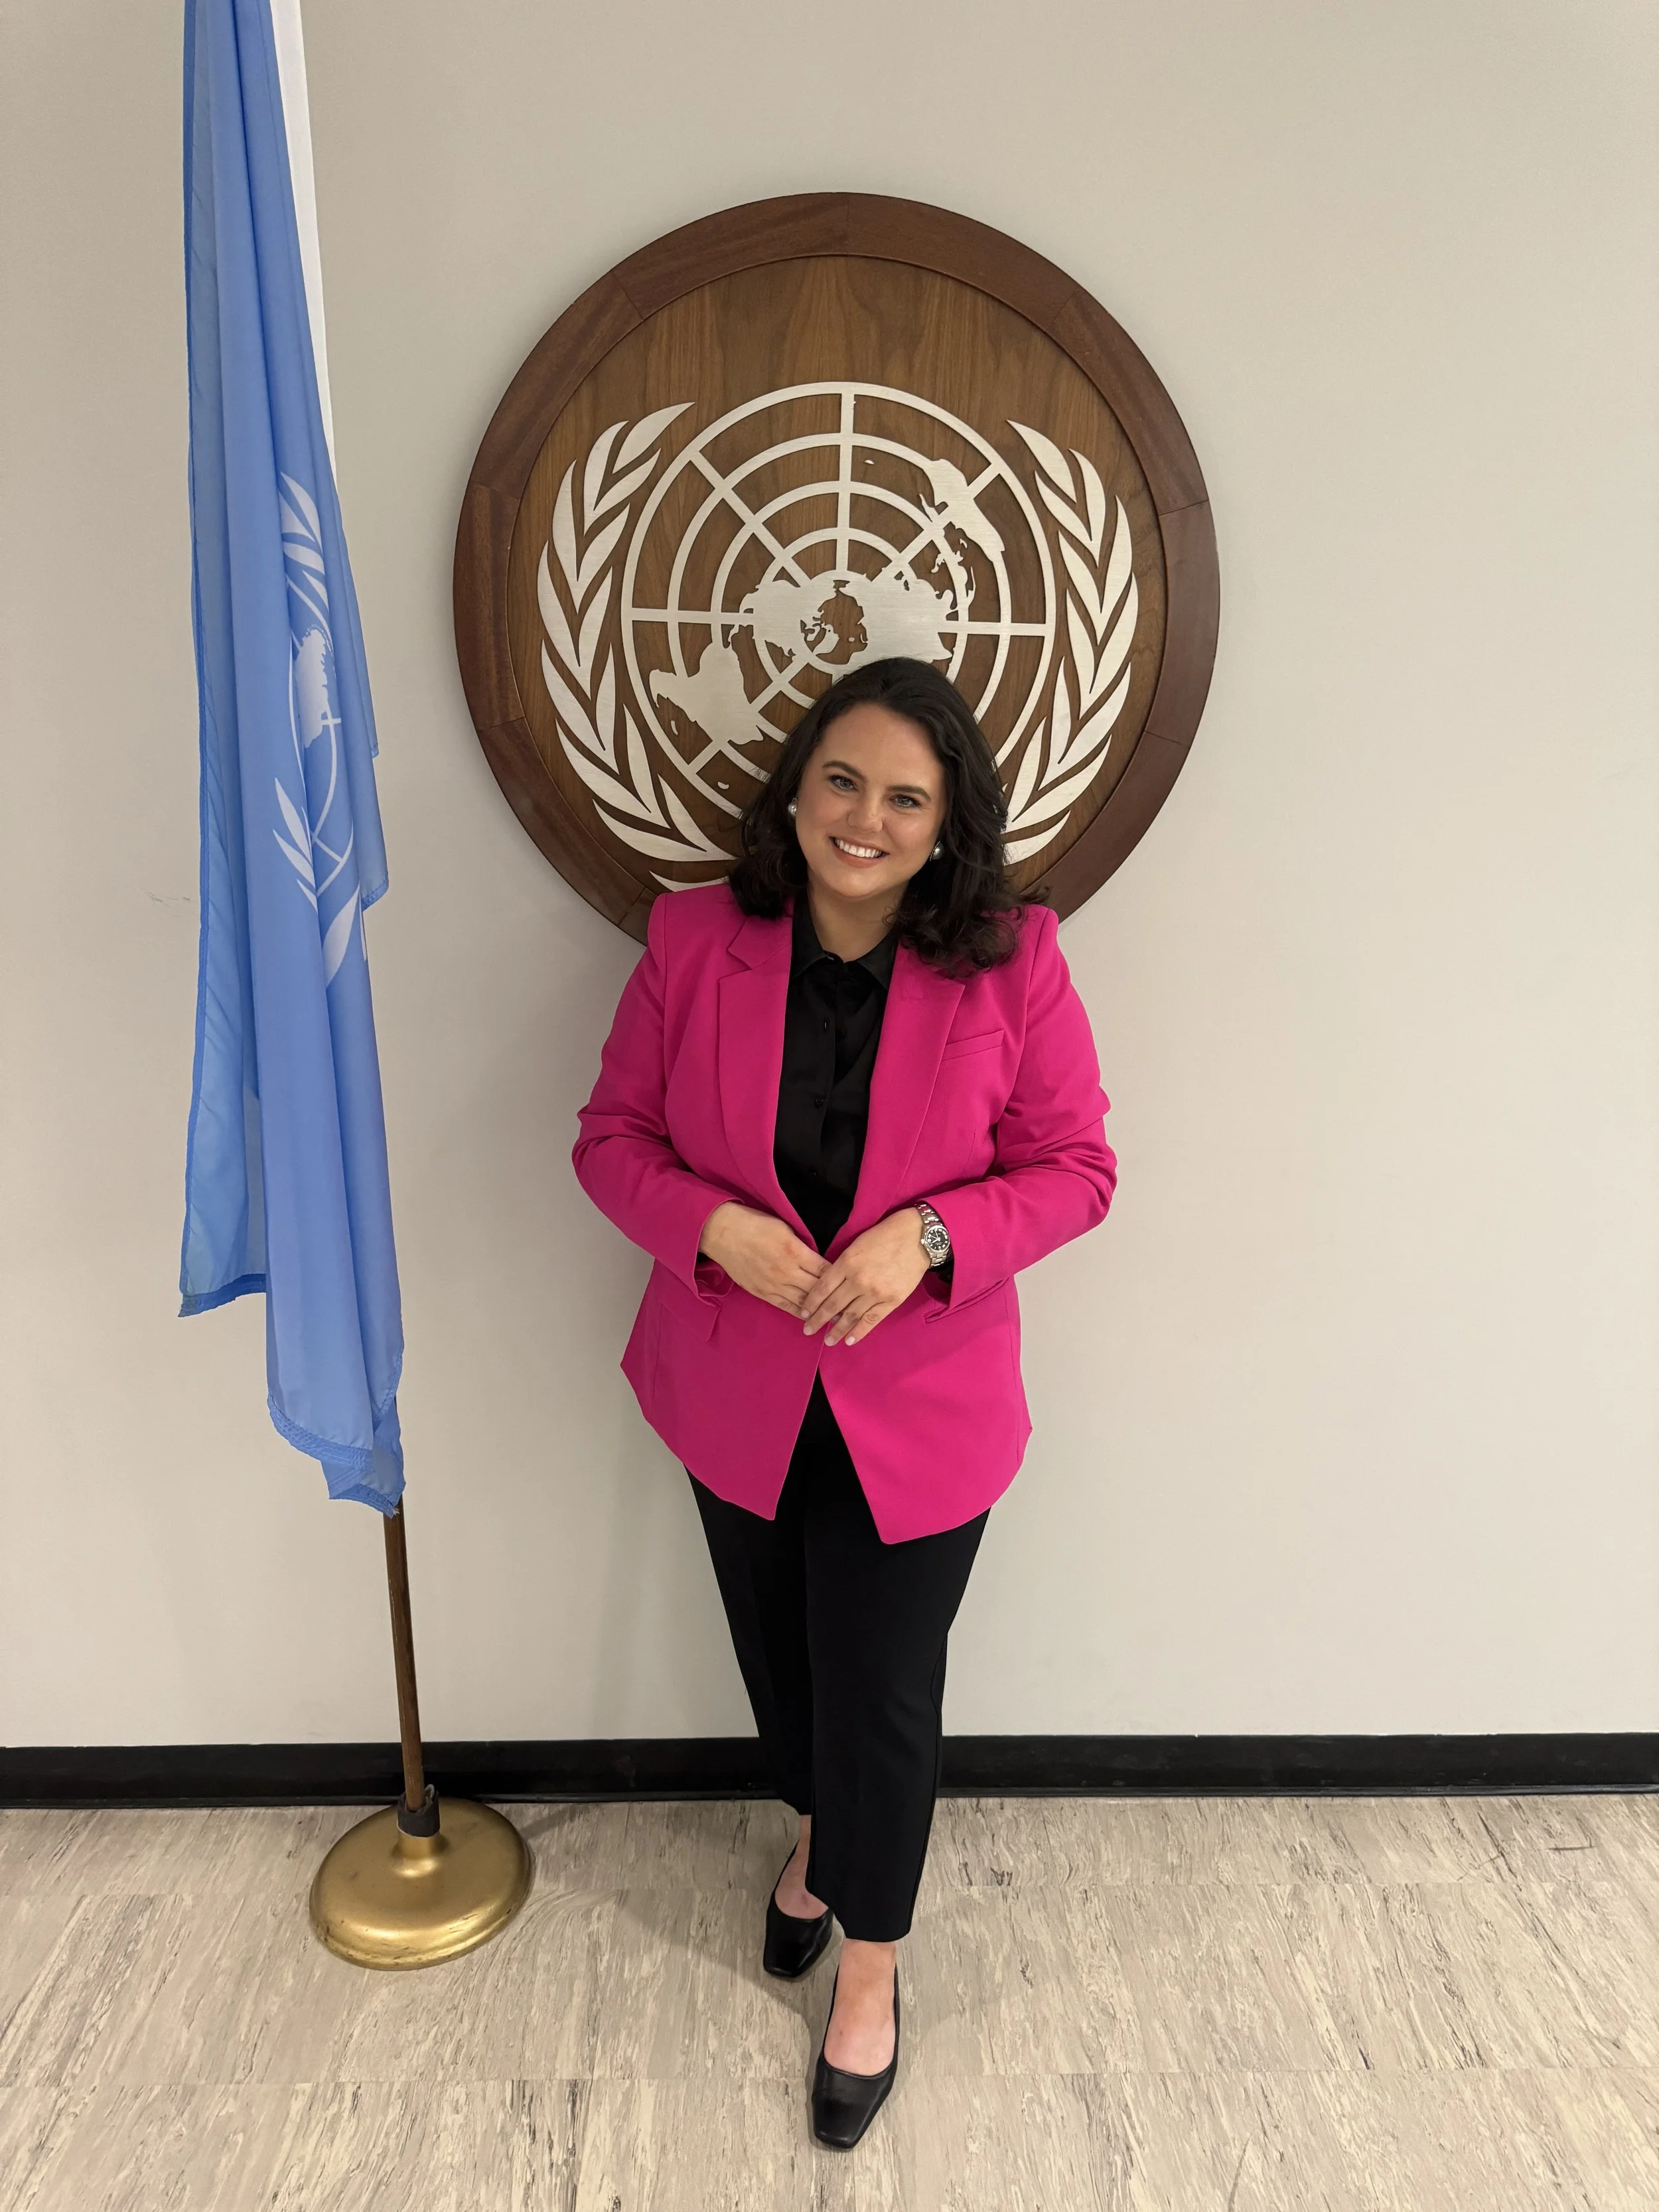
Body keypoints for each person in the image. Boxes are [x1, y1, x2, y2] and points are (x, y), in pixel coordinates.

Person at [571, 656, 1117, 2149]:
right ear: (795, 785)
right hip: (731, 1382)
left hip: (919, 1403)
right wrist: (708, 1223)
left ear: (945, 826)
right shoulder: (695, 937)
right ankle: (814, 1837)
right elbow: (609, 1137)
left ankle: (867, 1964)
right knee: (780, 1658)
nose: (862, 818)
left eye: (903, 797)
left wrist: (927, 1237)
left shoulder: (1012, 956)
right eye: (840, 779)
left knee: (879, 1689)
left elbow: (1075, 1168)